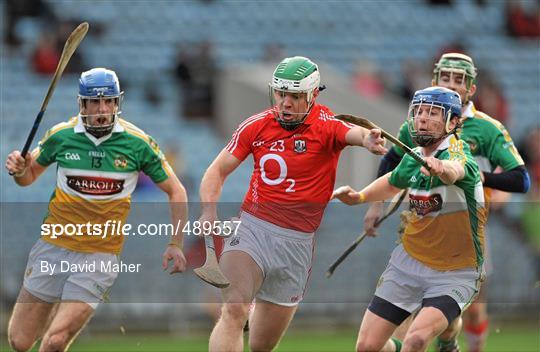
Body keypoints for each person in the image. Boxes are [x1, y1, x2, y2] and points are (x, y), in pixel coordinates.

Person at [197, 56, 387, 352]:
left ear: (313, 95)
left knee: (261, 345)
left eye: (295, 96)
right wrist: (209, 210)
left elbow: (356, 133)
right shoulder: (257, 125)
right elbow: (216, 171)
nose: (285, 102)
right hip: (251, 231)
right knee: (234, 310)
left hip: (296, 245)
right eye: (281, 93)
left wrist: (369, 140)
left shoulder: (327, 126)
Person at [5, 68, 188, 352]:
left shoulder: (137, 143)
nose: (103, 109)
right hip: (53, 247)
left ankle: (60, 321)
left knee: (54, 341)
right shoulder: (61, 136)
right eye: (95, 102)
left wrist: (176, 242)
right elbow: (27, 178)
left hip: (100, 255)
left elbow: (177, 191)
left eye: (109, 102)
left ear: (117, 103)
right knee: (19, 341)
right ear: (82, 104)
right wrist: (18, 170)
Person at [363, 53, 529, 352]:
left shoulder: (487, 128)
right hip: (422, 222)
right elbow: (392, 159)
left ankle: (457, 343)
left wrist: (475, 179)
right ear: (434, 79)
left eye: (458, 79)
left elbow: (521, 180)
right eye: (445, 77)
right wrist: (374, 206)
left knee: (472, 309)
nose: (451, 83)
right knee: (412, 315)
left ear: (472, 88)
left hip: (465, 227)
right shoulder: (420, 121)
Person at [334, 86, 487, 352]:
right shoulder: (414, 157)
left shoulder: (459, 153)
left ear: (452, 122)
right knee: (367, 347)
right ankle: (447, 335)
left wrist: (443, 168)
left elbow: (456, 170)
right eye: (418, 112)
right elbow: (392, 183)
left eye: (432, 113)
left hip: (456, 270)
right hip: (409, 264)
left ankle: (448, 338)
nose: (423, 118)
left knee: (415, 340)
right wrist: (360, 197)